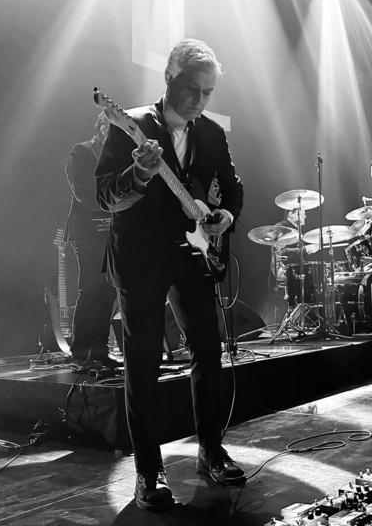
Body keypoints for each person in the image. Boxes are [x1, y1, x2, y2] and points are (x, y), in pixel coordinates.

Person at [96, 38, 245, 511]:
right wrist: (139, 175)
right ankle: (148, 471)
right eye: (192, 89)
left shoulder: (212, 133)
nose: (200, 100)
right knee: (143, 362)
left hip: (193, 254)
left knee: (208, 349)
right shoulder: (131, 125)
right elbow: (106, 196)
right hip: (140, 256)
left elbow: (233, 189)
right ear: (168, 78)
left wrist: (224, 217)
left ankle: (211, 451)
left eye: (208, 92)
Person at [64, 111, 119, 368]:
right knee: (91, 289)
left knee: (108, 290)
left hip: (110, 231)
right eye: (110, 127)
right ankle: (80, 353)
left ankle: (99, 351)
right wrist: (114, 197)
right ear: (100, 128)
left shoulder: (115, 157)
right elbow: (82, 191)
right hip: (87, 232)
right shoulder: (82, 152)